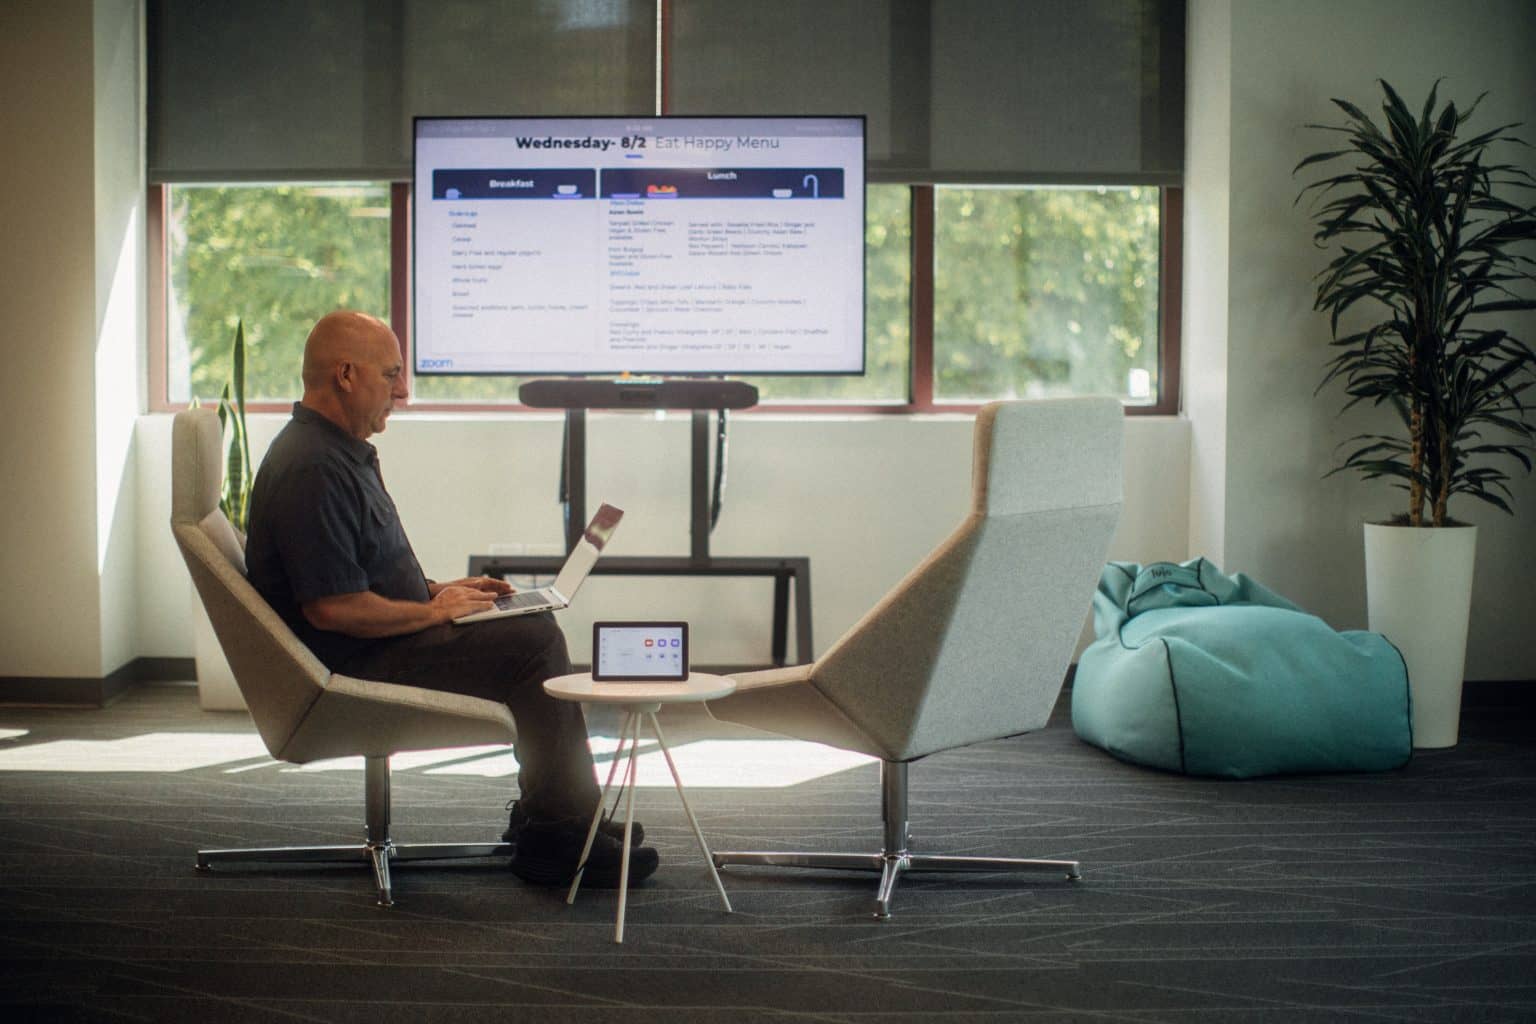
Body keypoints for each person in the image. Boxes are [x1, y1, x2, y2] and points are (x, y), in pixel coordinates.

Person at [244, 310, 657, 887]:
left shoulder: (335, 453)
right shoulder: (312, 468)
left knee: (525, 625)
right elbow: (333, 608)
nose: (402, 390)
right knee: (532, 641)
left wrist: (439, 592)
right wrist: (435, 613)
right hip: (350, 665)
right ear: (345, 374)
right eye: (390, 374)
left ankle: (559, 816)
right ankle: (558, 833)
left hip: (370, 645)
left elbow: (354, 576)